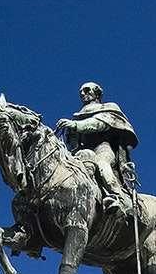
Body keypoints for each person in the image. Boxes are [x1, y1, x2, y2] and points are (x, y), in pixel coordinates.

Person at [56, 82, 138, 218]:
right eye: (81, 92)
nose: (83, 94)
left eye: (87, 90)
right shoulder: (78, 116)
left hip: (102, 149)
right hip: (84, 153)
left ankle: (118, 198)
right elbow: (73, 144)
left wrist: (75, 125)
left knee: (102, 165)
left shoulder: (108, 108)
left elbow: (99, 124)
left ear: (97, 93)